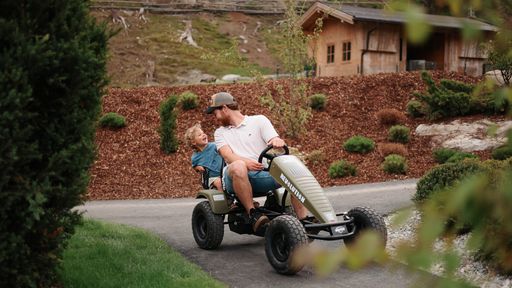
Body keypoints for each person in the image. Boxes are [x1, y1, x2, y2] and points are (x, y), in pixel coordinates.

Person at [205, 92, 308, 232]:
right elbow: (228, 156)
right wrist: (246, 162)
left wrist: (276, 141)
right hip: (234, 179)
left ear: (224, 108)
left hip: (262, 175)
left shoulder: (259, 120)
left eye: (215, 112)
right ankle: (253, 213)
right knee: (238, 165)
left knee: (292, 167)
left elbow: (272, 139)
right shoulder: (220, 133)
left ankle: (304, 221)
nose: (214, 117)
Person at [184, 124, 222, 191]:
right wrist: (197, 167)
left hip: (223, 173)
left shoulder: (214, 146)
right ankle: (224, 200)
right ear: (193, 142)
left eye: (203, 133)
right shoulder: (195, 157)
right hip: (211, 178)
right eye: (199, 135)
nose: (204, 135)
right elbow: (194, 166)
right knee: (219, 183)